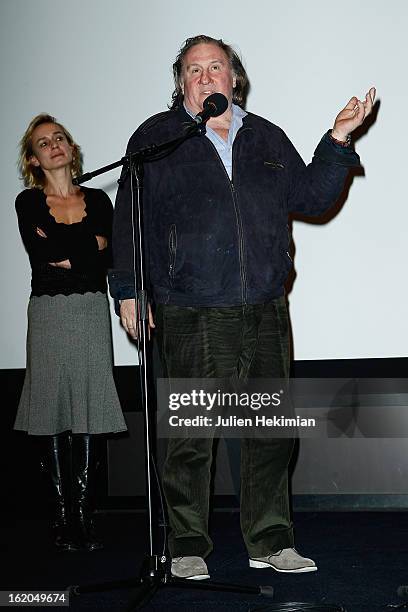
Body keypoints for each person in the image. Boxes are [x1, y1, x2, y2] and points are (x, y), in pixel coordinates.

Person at [109, 35, 375, 579]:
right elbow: (129, 218)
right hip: (189, 307)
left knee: (270, 431)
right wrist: (129, 289)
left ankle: (271, 540)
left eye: (216, 67)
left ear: (235, 78)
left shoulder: (267, 137)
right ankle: (185, 544)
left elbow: (311, 198)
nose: (206, 77)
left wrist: (338, 139)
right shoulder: (156, 139)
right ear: (181, 82)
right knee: (189, 435)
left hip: (262, 306)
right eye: (193, 70)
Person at [14, 113, 127, 552]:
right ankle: (62, 515)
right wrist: (88, 247)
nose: (54, 145)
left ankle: (83, 513)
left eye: (59, 138)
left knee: (87, 406)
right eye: (44, 143)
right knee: (51, 407)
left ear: (70, 148)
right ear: (34, 158)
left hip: (90, 311)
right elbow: (45, 254)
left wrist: (72, 251)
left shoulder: (99, 200)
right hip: (47, 314)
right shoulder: (28, 202)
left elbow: (103, 254)